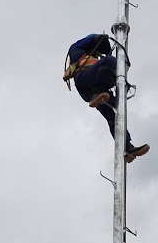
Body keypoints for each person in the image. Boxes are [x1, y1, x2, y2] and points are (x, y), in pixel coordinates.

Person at [63, 33, 150, 162]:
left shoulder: (93, 60)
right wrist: (108, 51)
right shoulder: (76, 48)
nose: (98, 55)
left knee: (114, 115)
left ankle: (127, 147)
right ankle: (97, 92)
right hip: (85, 81)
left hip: (94, 91)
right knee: (110, 61)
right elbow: (101, 38)